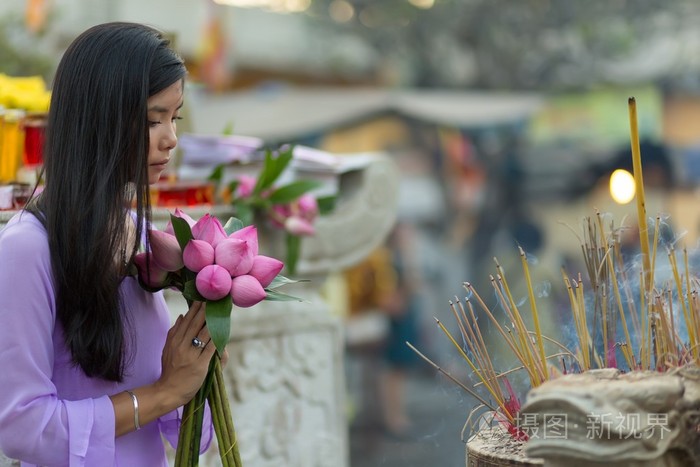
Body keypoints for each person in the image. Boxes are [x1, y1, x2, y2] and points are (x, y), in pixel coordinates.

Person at [0, 22, 216, 466]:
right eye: (153, 119)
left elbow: (187, 434)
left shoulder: (135, 232)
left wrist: (199, 370)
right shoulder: (27, 249)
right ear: (98, 119)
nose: (170, 138)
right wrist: (163, 393)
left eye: (173, 119)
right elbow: (21, 427)